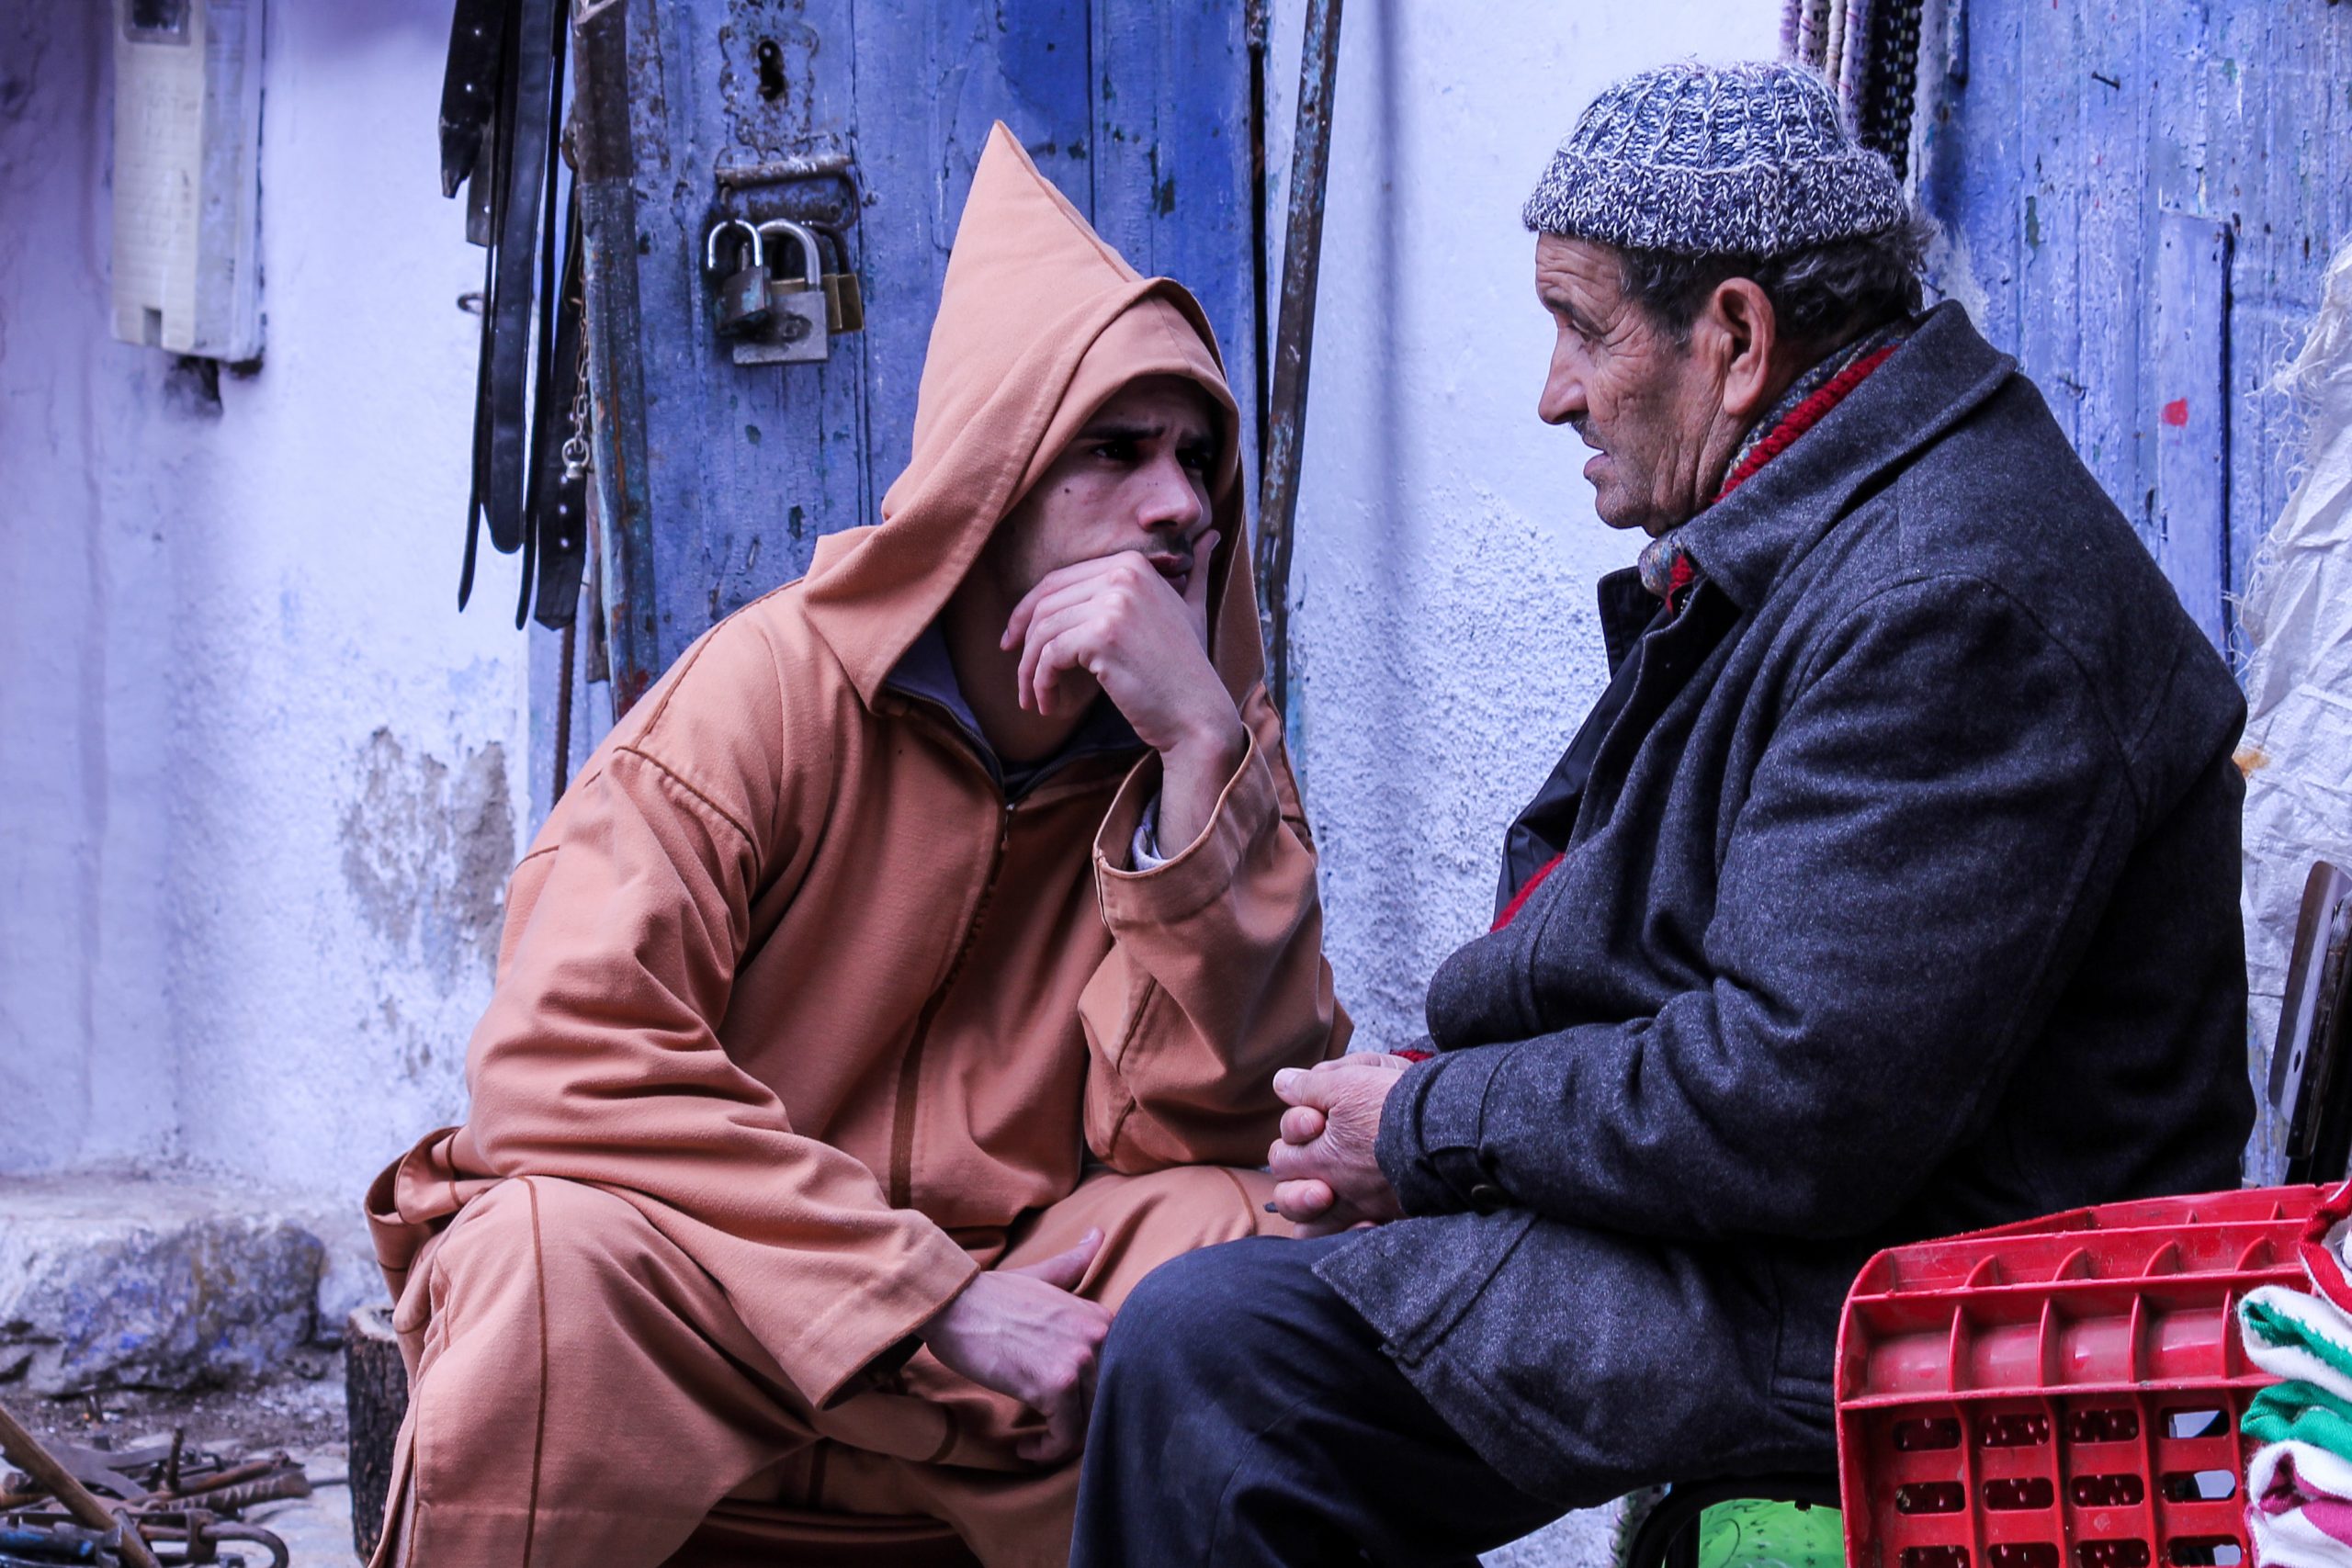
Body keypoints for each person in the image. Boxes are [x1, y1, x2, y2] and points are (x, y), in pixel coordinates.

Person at [1073, 60, 2252, 1566]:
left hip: (1925, 1307)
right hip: (1804, 1246)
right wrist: (1437, 1123)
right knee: (1240, 1281)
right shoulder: (1842, 528)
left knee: (1224, 1363)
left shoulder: (1952, 597)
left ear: (1739, 336)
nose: (1552, 390)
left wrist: (1427, 1131)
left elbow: (1798, 1100)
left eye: (1579, 327)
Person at [361, 124, 1345, 1568]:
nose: (1184, 504)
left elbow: (1209, 1139)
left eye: (1201, 459)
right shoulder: (771, 692)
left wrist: (1202, 783)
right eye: (1118, 452)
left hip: (1023, 1320)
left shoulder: (1201, 749)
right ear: (995, 476)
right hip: (743, 1302)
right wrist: (923, 1294)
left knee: (1255, 1248)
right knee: (545, 1257)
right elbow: (557, 1064)